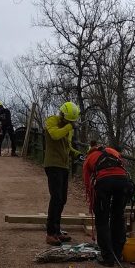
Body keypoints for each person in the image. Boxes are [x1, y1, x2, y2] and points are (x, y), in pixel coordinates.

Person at [83, 143, 134, 266]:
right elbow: (122, 166)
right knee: (118, 216)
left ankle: (108, 257)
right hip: (123, 182)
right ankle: (118, 253)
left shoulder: (89, 158)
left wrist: (93, 202)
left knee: (102, 219)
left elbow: (87, 182)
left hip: (104, 183)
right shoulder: (112, 151)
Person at [43, 102, 82, 246]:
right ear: (63, 115)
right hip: (53, 165)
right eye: (69, 120)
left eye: (73, 121)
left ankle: (57, 231)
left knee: (62, 199)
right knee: (56, 198)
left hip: (64, 166)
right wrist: (69, 126)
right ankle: (50, 233)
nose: (71, 123)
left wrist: (77, 154)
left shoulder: (68, 127)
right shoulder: (52, 120)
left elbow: (67, 146)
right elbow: (55, 135)